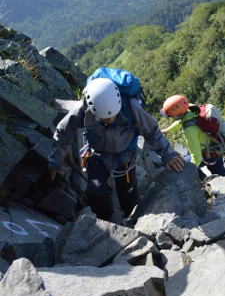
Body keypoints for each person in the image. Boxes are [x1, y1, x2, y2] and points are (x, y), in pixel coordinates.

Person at [48, 78, 185, 222]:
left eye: (112, 116)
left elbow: (152, 132)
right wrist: (55, 161)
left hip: (125, 156)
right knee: (96, 192)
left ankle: (133, 220)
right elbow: (63, 131)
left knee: (128, 193)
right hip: (97, 154)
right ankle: (106, 223)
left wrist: (168, 155)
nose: (110, 120)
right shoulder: (84, 108)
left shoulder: (132, 108)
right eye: (104, 118)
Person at [160, 95, 225, 179]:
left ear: (178, 115)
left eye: (170, 116)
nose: (170, 117)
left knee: (183, 164)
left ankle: (203, 182)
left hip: (209, 154)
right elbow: (182, 122)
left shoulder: (190, 130)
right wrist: (168, 130)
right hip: (216, 145)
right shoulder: (191, 109)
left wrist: (189, 171)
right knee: (220, 171)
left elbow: (197, 157)